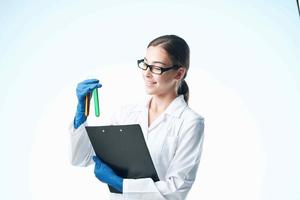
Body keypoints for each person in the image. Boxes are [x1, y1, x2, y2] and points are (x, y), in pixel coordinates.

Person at [69, 34, 205, 200]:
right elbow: (81, 158)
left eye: (157, 67)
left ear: (179, 73)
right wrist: (80, 114)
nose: (147, 73)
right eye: (145, 64)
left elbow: (176, 189)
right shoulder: (127, 114)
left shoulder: (190, 122)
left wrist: (119, 183)